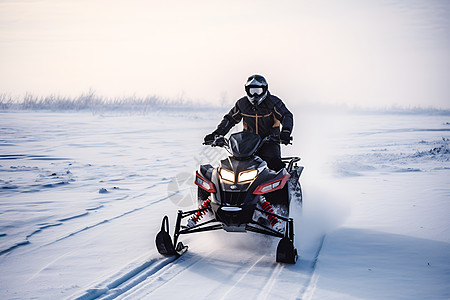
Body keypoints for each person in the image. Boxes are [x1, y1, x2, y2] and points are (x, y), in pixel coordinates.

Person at [204, 74, 293, 171]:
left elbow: (286, 116)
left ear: (264, 89)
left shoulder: (273, 102)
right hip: (248, 143)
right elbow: (229, 119)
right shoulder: (242, 104)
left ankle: (286, 183)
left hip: (270, 141)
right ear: (247, 90)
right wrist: (216, 134)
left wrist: (285, 132)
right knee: (235, 166)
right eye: (252, 91)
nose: (255, 95)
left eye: (258, 91)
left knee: (274, 165)